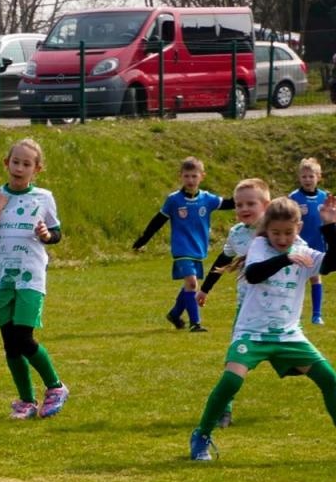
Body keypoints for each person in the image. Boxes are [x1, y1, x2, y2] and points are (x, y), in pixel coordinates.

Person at [189, 195, 336, 461]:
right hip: (252, 333)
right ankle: (201, 435)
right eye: (276, 233)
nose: (281, 238)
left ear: (298, 229)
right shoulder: (259, 245)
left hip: (288, 335)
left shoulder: (302, 250)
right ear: (266, 229)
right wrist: (286, 258)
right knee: (231, 380)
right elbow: (255, 273)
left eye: (288, 233)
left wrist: (329, 227)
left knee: (330, 380)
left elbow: (331, 264)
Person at [0, 138, 68, 420]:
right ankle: (27, 401)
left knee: (23, 337)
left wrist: (46, 236)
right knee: (9, 343)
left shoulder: (43, 198)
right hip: (1, 276)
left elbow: (56, 234)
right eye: (15, 162)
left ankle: (56, 386)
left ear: (36, 169)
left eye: (26, 164)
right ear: (7, 163)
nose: (19, 168)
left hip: (30, 277)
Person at [197, 178, 274, 429]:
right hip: (247, 309)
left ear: (266, 205)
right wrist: (205, 289)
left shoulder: (278, 230)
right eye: (239, 204)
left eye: (251, 203)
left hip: (277, 309)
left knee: (294, 363)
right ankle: (224, 410)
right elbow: (223, 260)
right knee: (235, 360)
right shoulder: (237, 234)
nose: (244, 209)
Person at [132, 156, 234, 332]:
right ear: (181, 176)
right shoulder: (174, 200)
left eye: (194, 176)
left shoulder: (207, 199)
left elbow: (230, 203)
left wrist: (251, 195)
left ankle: (175, 313)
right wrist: (144, 238)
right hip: (181, 249)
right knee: (193, 283)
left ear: (202, 176)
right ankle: (196, 323)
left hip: (198, 248)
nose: (190, 180)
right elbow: (158, 220)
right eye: (186, 176)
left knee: (189, 285)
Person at [288, 158, 330, 325]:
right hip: (298, 244)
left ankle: (316, 314)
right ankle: (291, 315)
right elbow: (287, 218)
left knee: (315, 278)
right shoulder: (294, 197)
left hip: (318, 244)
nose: (307, 180)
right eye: (304, 176)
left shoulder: (325, 197)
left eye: (311, 176)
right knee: (294, 279)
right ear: (299, 178)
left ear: (318, 177)